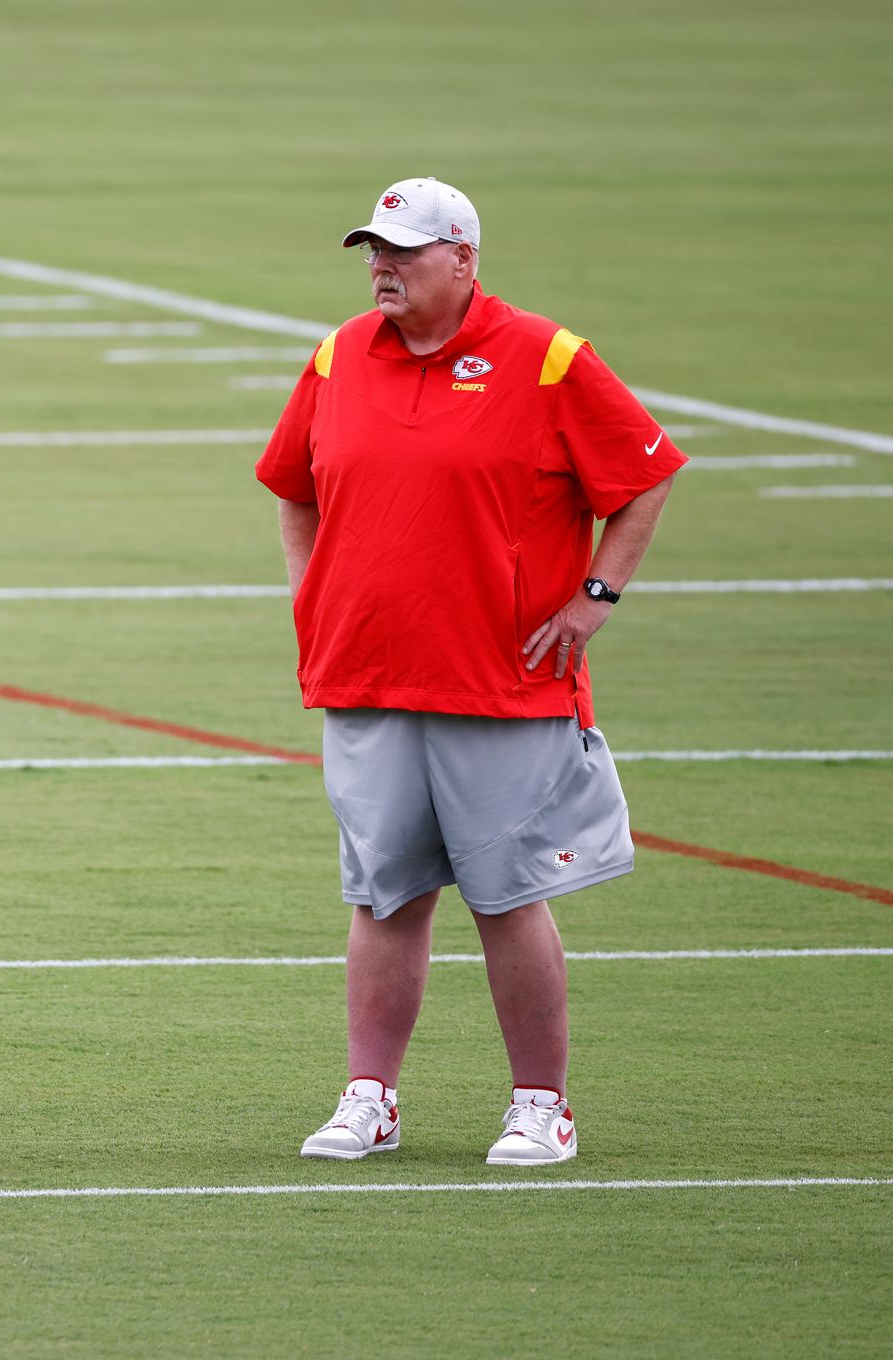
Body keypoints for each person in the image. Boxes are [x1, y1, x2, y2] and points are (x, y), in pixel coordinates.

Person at [255, 176, 683, 1167]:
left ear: (464, 260)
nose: (382, 267)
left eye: (404, 252)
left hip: (501, 683)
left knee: (505, 896)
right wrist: (310, 599)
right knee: (384, 896)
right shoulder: (336, 356)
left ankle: (542, 1103)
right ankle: (371, 1095)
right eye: (375, 249)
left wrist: (597, 597)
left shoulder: (547, 357)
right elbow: (293, 489)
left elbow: (646, 472)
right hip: (367, 676)